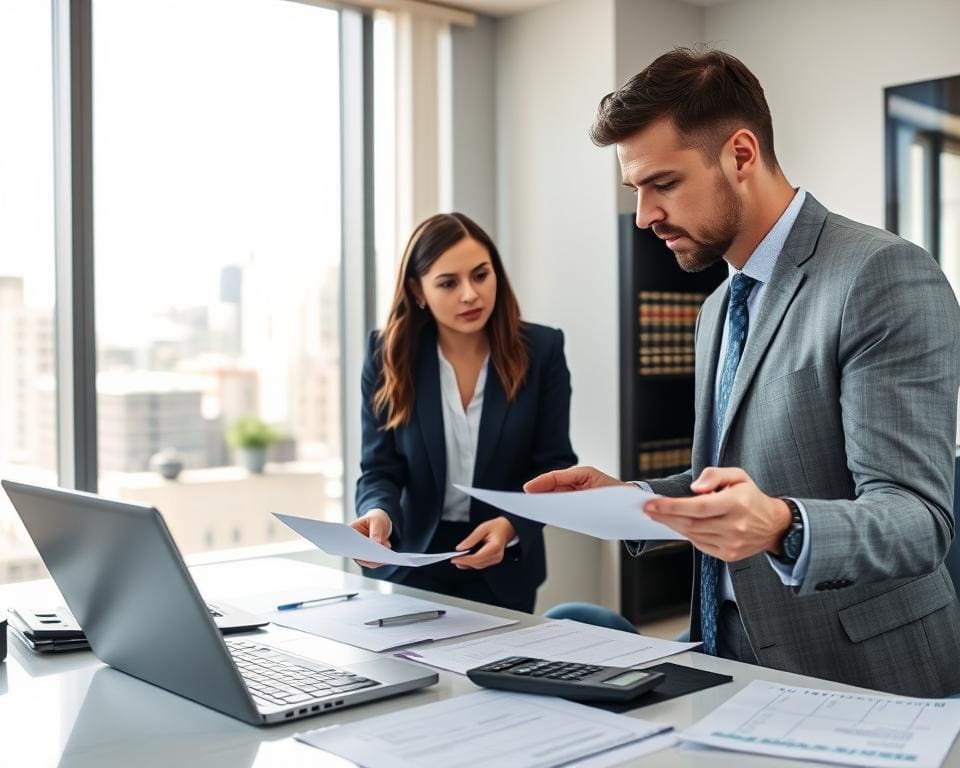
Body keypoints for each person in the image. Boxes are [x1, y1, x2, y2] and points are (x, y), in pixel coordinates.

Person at [529, 47, 960, 697]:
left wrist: (781, 526)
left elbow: (919, 521)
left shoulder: (880, 276)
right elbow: (734, 484)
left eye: (664, 184)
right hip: (724, 658)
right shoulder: (714, 309)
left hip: (859, 675)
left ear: (740, 154)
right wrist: (630, 500)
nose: (645, 215)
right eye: (636, 189)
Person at [353, 212, 577, 613]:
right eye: (448, 283)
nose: (471, 294)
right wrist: (378, 514)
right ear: (417, 291)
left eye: (480, 275)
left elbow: (555, 466)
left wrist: (511, 525)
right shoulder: (386, 354)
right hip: (412, 562)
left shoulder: (542, 351)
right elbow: (379, 469)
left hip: (501, 561)